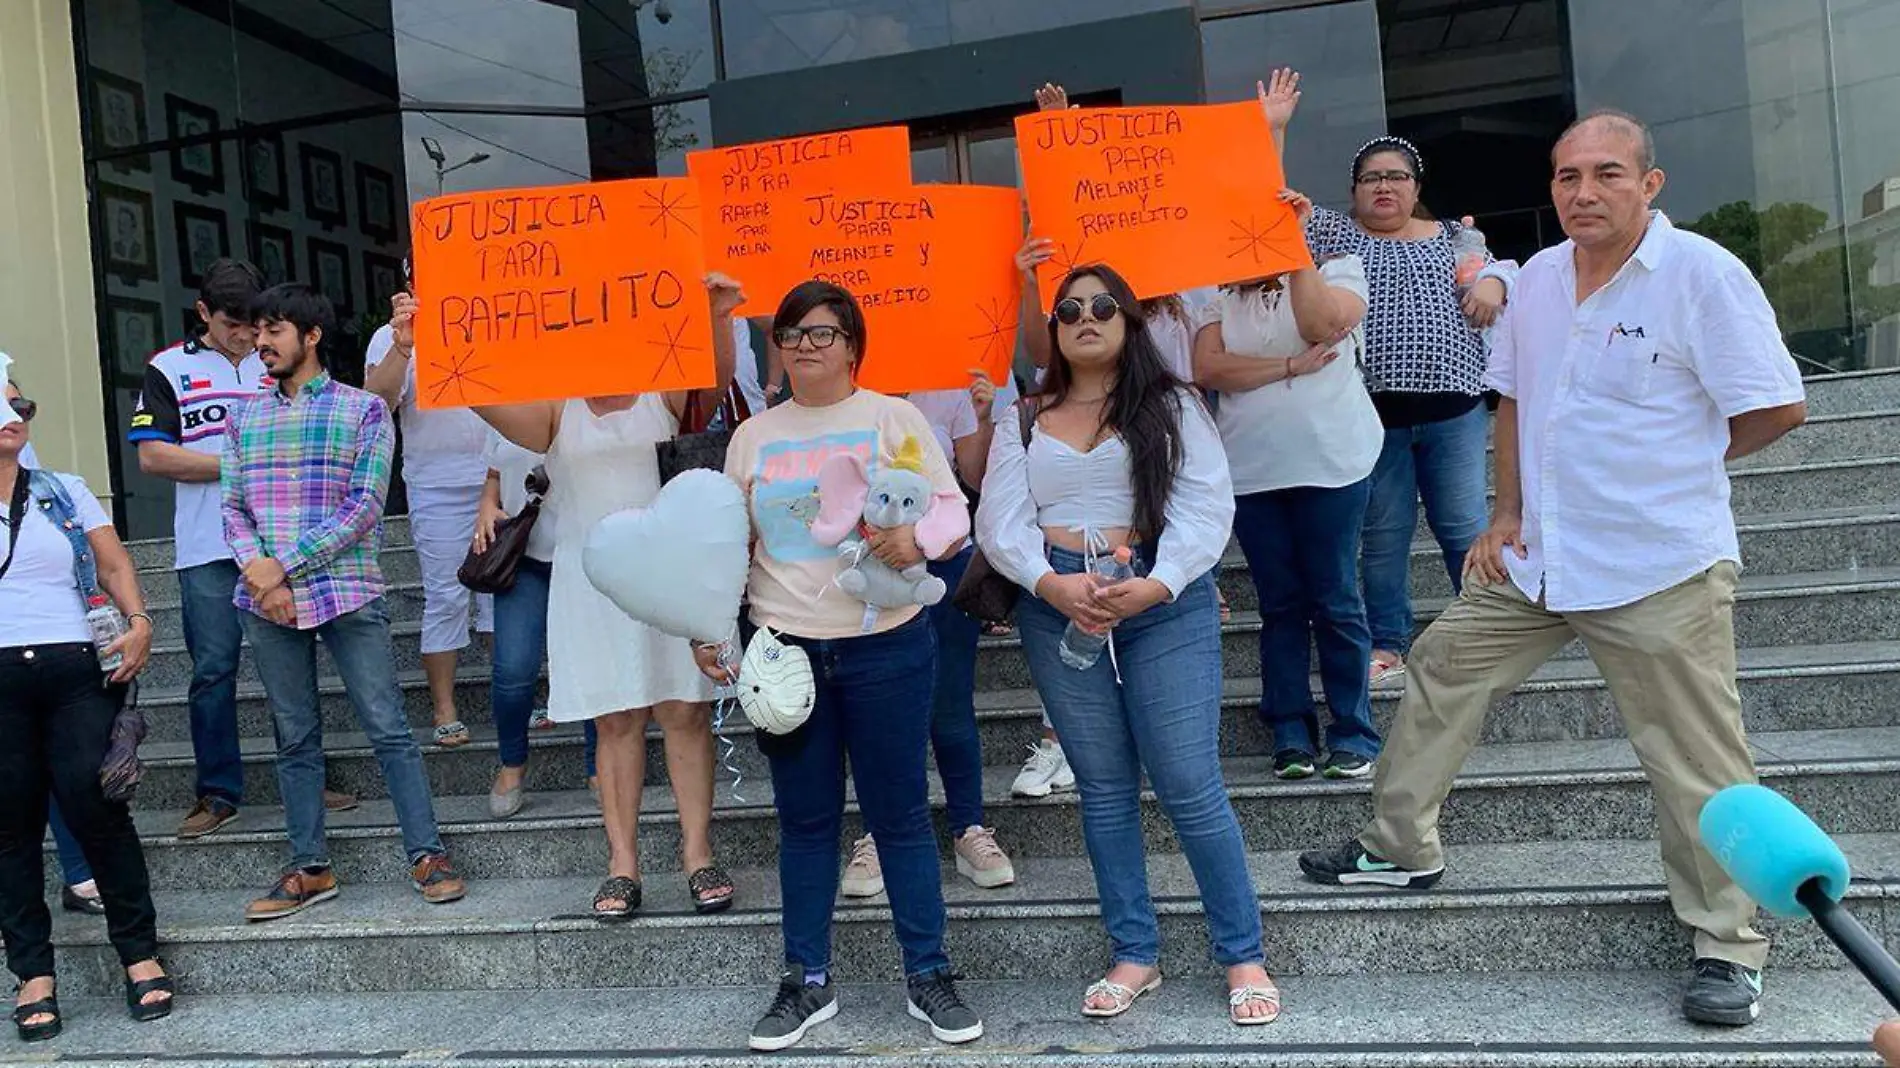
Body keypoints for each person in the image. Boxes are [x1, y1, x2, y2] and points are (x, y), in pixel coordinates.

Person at [1297, 111, 1808, 1027]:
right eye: (1568, 176)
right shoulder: (1533, 280)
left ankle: (1728, 943)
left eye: (1607, 174)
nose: (1583, 192)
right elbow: (1513, 401)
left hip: (1661, 563)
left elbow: (1774, 407)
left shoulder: (1701, 275)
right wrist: (1504, 514)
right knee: (1441, 668)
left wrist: (1679, 468)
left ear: (1649, 184)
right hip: (1539, 558)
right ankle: (1399, 845)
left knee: (1694, 758)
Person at [975, 264, 1278, 1027]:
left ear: (1129, 320)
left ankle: (1242, 953)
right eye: (1069, 308)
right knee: (1104, 789)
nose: (1085, 317)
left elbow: (1208, 503)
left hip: (1158, 597)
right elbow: (1001, 521)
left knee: (1187, 781)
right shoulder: (1025, 416)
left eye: (1103, 306)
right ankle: (1134, 953)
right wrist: (1050, 585)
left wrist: (1163, 580)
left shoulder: (1169, 403)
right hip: (1058, 603)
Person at [704, 281, 983, 1052]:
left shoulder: (894, 417)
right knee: (805, 824)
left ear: (854, 345)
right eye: (789, 333)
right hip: (785, 650)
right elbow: (728, 541)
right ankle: (805, 981)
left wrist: (919, 543)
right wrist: (709, 626)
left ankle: (928, 974)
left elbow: (948, 506)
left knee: (898, 818)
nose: (803, 345)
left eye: (821, 333)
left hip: (886, 643)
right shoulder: (752, 436)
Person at [467, 274, 744, 919]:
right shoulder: (554, 407)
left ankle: (697, 854)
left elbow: (715, 373)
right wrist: (441, 341)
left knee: (685, 712)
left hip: (671, 572)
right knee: (615, 719)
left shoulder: (660, 384)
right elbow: (477, 393)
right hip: (590, 581)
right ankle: (622, 864)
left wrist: (717, 312)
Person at [222, 283, 467, 921]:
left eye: (274, 330)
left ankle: (427, 853)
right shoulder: (243, 416)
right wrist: (260, 574)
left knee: (389, 729)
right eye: (258, 331)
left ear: (311, 336)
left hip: (345, 592)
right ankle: (310, 866)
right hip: (265, 602)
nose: (261, 342)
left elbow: (363, 509)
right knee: (294, 737)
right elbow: (232, 507)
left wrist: (284, 567)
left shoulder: (362, 411)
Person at [1267, 76, 1515, 684]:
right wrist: (1274, 129)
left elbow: (1498, 270)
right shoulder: (1335, 233)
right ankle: (1388, 639)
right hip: (1373, 417)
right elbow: (1269, 207)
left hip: (1455, 411)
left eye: (1396, 176)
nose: (1384, 186)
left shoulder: (1457, 236)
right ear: (1354, 191)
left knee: (1462, 524)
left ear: (1415, 188)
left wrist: (1494, 283)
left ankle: (1491, 631)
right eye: (1372, 177)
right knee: (1384, 533)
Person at [0, 376, 173, 1041]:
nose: (12, 415)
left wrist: (139, 620)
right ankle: (33, 976)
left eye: (21, 405)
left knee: (95, 805)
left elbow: (114, 564)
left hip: (75, 669)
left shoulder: (63, 488)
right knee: (10, 826)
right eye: (0, 404)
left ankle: (139, 953)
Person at [1193, 189, 1381, 781]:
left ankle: (1353, 731)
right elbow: (1210, 369)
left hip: (1333, 463)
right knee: (1279, 604)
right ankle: (1291, 733)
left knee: (1336, 596)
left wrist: (1294, 246)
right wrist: (1290, 368)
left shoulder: (1337, 269)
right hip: (1251, 471)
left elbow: (1324, 322)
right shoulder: (1214, 292)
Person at [840, 376, 1017, 899]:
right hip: (867, 575)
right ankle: (879, 832)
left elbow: (973, 482)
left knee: (949, 702)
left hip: (939, 568)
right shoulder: (846, 399)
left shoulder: (948, 388)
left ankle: (969, 827)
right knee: (877, 711)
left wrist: (983, 416)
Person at [365, 258, 493, 749]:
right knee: (446, 593)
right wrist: (403, 345)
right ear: (410, 283)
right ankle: (444, 707)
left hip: (497, 476)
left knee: (502, 593)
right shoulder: (390, 336)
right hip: (435, 483)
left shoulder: (493, 319)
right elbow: (377, 401)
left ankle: (514, 695)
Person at [473, 428, 555, 818]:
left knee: (588, 660)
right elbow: (494, 473)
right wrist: (487, 506)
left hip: (584, 550)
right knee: (513, 668)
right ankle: (512, 765)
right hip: (520, 553)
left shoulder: (591, 397)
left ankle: (597, 767)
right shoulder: (506, 400)